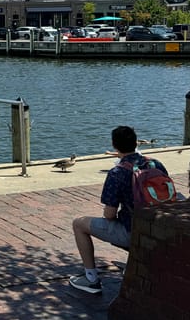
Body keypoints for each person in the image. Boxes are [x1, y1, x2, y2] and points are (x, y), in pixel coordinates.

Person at [69, 125, 170, 294]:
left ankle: (91, 279)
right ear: (136, 142)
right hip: (161, 227)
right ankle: (136, 265)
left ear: (114, 145)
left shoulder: (117, 172)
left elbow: (109, 215)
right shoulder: (155, 163)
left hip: (134, 231)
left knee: (79, 224)